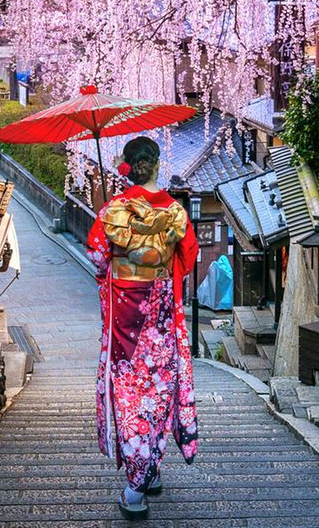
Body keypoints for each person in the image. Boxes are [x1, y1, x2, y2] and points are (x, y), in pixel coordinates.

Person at [87, 136, 199, 520]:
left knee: (132, 391)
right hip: (162, 308)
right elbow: (188, 256)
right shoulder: (175, 210)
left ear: (127, 166)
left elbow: (99, 260)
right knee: (159, 385)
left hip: (125, 313)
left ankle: (134, 489)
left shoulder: (113, 210)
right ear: (157, 165)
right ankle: (151, 469)